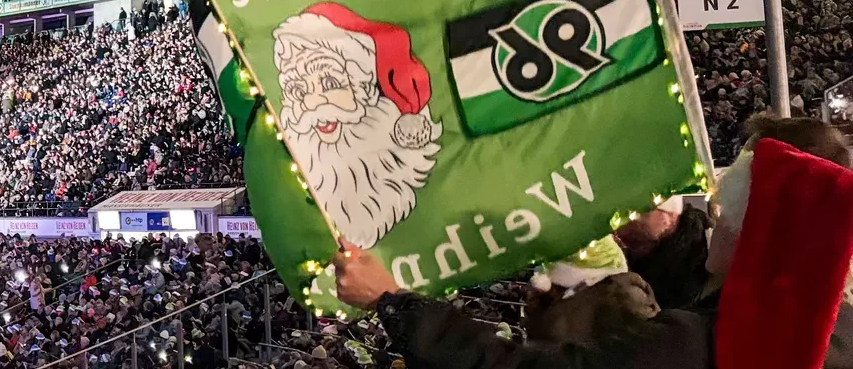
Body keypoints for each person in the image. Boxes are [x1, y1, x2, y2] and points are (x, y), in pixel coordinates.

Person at [334, 115, 853, 369]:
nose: (714, 211)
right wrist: (657, 241)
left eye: (730, 206)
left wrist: (394, 301)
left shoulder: (695, 347)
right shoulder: (835, 329)